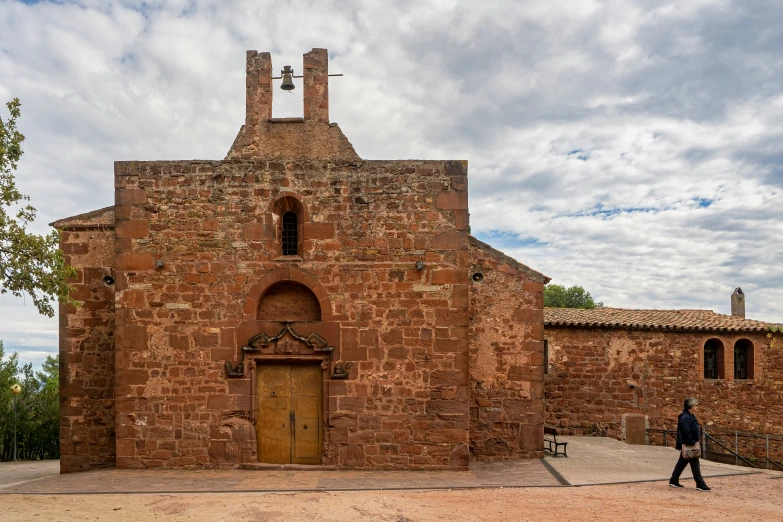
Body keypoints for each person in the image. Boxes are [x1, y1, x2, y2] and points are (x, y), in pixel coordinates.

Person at [669, 397, 711, 491]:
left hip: (691, 443)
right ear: (690, 406)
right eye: (696, 405)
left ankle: (673, 480)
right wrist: (691, 441)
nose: (697, 407)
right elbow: (685, 431)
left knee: (682, 462)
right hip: (690, 444)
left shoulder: (690, 416)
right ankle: (700, 484)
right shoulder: (685, 417)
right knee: (694, 462)